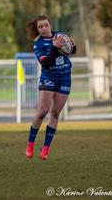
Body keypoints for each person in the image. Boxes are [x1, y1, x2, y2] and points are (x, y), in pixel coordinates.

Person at [25, 15, 76, 160]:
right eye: (40, 27)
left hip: (65, 77)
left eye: (46, 25)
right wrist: (54, 48)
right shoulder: (38, 45)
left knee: (55, 113)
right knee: (42, 112)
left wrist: (72, 45)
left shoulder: (60, 35)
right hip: (49, 77)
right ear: (37, 29)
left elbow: (71, 51)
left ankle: (45, 148)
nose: (44, 28)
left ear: (50, 25)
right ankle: (30, 144)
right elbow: (46, 64)